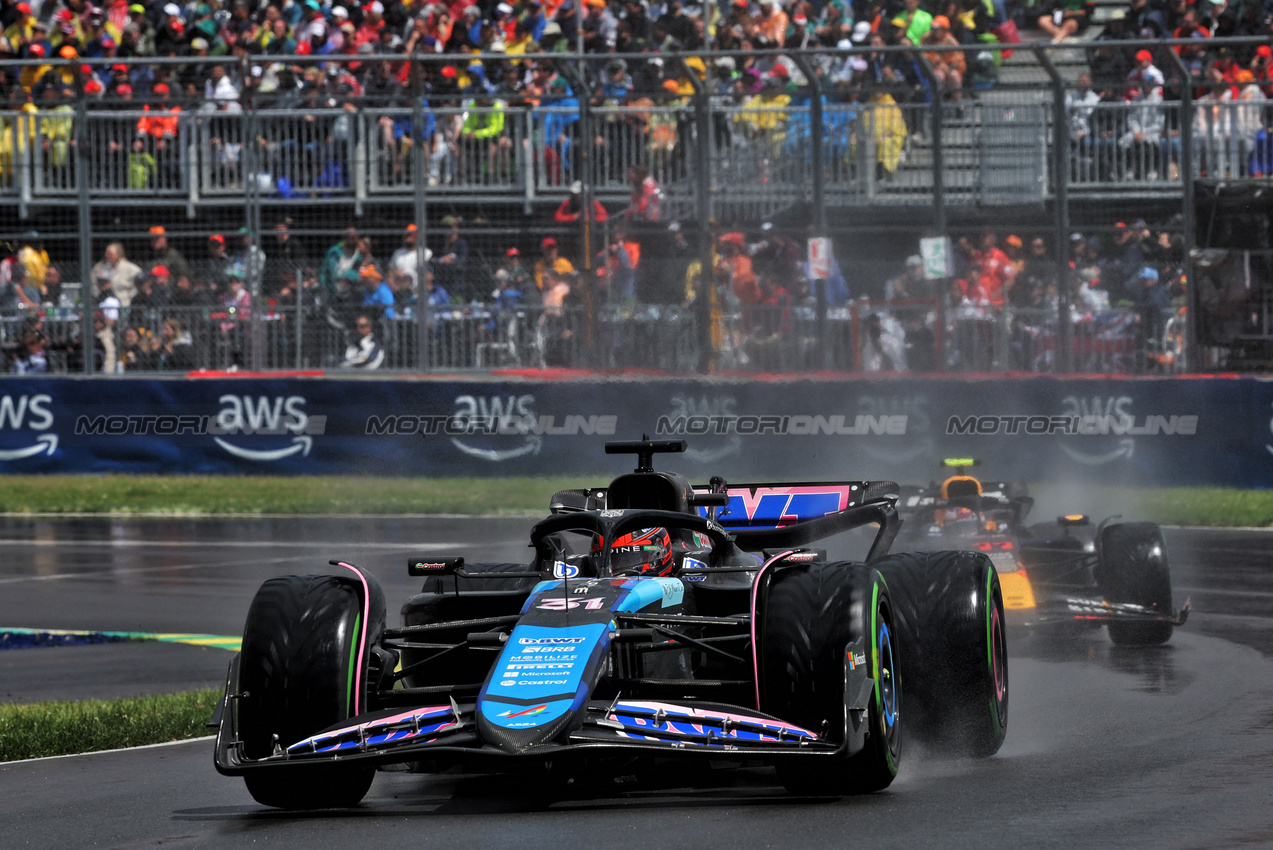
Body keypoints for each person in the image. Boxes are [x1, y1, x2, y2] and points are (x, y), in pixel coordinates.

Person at [91, 241, 142, 308]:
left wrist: (129, 297)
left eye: (110, 254)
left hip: (123, 303)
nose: (106, 255)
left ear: (118, 255)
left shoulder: (131, 269)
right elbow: (92, 282)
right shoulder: (99, 267)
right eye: (106, 253)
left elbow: (140, 285)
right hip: (102, 301)